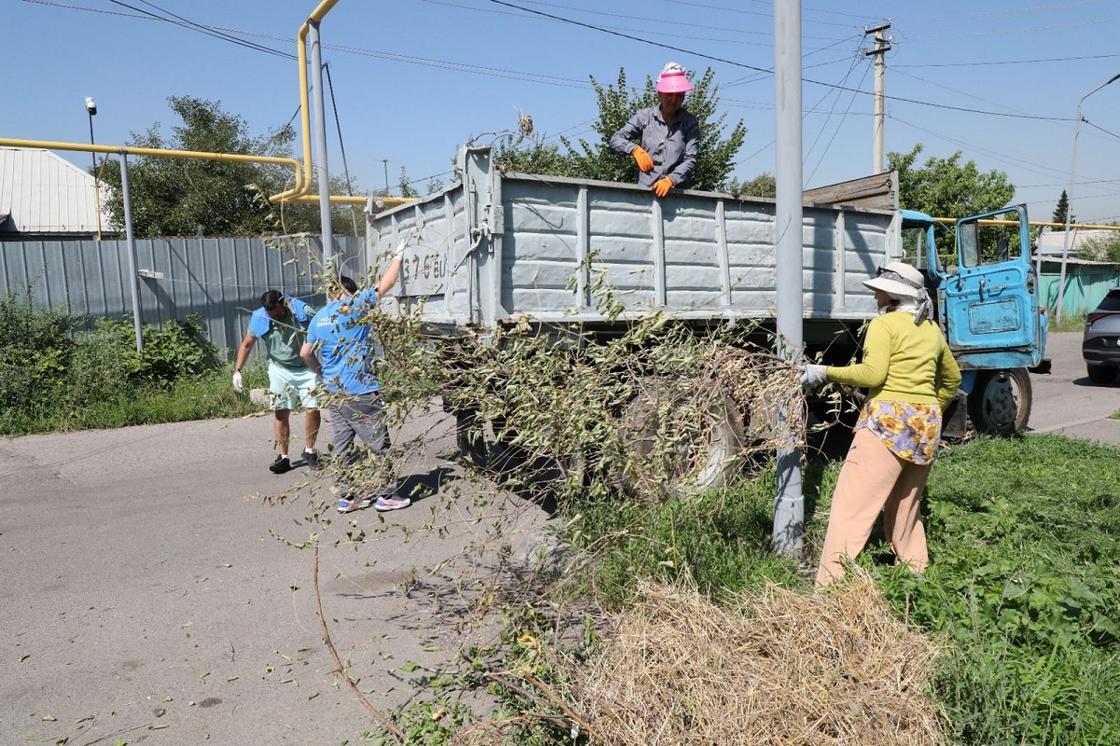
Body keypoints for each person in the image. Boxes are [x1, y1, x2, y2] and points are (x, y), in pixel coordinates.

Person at [801, 261, 962, 587]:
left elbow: (873, 374)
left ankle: (829, 590)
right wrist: (930, 409)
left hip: (886, 423)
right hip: (925, 426)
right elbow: (953, 379)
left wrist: (824, 372)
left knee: (851, 508)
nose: (875, 296)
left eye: (877, 291)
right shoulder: (931, 330)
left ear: (891, 294)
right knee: (906, 509)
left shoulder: (884, 325)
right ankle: (919, 580)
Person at [300, 245, 408, 513]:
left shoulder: (319, 319)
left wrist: (320, 372)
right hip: (361, 389)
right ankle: (386, 495)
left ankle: (347, 498)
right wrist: (398, 255)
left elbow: (304, 353)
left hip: (334, 391)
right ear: (347, 291)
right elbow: (388, 282)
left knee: (342, 445)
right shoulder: (356, 306)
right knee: (378, 443)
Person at [233, 290, 321, 474]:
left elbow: (324, 327)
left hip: (306, 367)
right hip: (279, 368)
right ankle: (283, 457)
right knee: (281, 412)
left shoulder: (302, 310)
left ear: (284, 303)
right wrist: (238, 371)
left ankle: (309, 451)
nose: (276, 317)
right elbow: (247, 344)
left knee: (312, 408)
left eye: (279, 313)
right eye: (272, 315)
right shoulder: (260, 316)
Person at [609, 62, 701, 198]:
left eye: (679, 95)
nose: (674, 100)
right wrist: (634, 149)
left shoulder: (690, 122)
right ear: (659, 93)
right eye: (670, 94)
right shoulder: (644, 117)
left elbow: (691, 158)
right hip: (645, 196)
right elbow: (615, 139)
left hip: (678, 198)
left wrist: (672, 179)